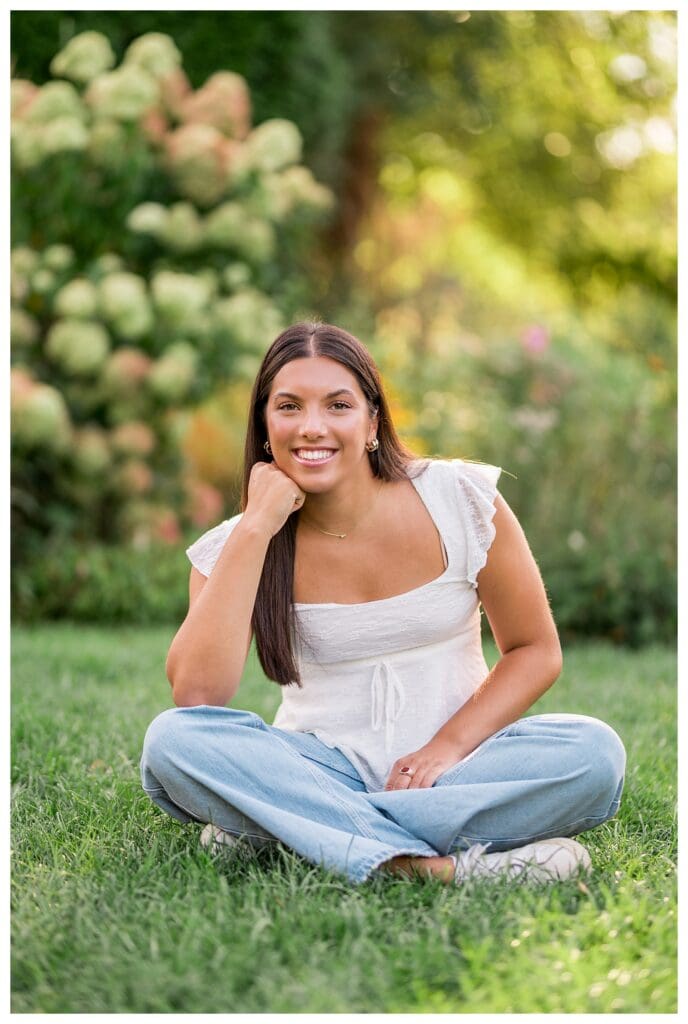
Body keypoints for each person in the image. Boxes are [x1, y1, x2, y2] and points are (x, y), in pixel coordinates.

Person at [140, 320, 626, 886]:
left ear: (373, 421)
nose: (312, 427)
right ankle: (429, 869)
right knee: (173, 742)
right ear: (265, 427)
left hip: (462, 769)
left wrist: (443, 749)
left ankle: (294, 831)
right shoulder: (236, 544)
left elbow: (534, 650)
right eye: (289, 407)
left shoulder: (462, 498)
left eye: (338, 405)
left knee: (594, 753)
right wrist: (256, 528)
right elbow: (198, 697)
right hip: (320, 769)